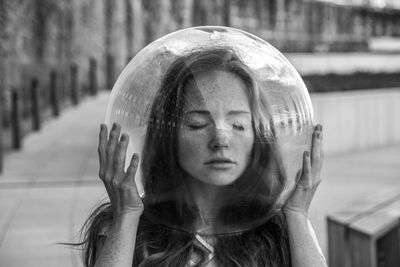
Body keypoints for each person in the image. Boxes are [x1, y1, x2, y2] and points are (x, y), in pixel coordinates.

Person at [78, 47, 326, 266]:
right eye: (197, 124)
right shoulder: (129, 223)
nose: (221, 140)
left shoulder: (279, 227)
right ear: (169, 136)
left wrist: (296, 217)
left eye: (238, 125)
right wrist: (126, 217)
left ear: (258, 137)